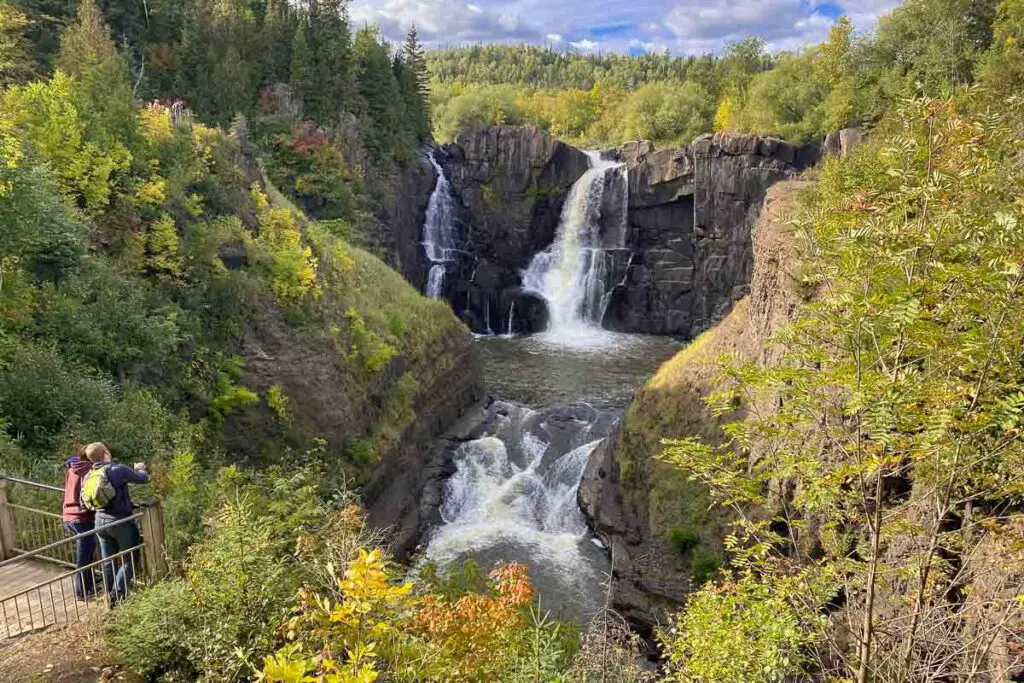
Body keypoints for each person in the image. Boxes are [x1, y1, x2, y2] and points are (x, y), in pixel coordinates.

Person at [82, 442, 148, 604]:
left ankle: (108, 594)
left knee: (108, 560)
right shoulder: (117, 469)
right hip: (121, 522)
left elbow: (83, 502)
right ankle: (117, 594)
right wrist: (140, 468)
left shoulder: (89, 475)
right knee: (130, 559)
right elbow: (143, 478)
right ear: (105, 453)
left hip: (100, 522)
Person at [62, 439, 97, 600]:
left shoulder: (72, 468)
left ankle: (88, 584)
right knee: (84, 557)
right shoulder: (89, 471)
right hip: (82, 517)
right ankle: (82, 591)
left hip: (68, 515)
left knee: (86, 553)